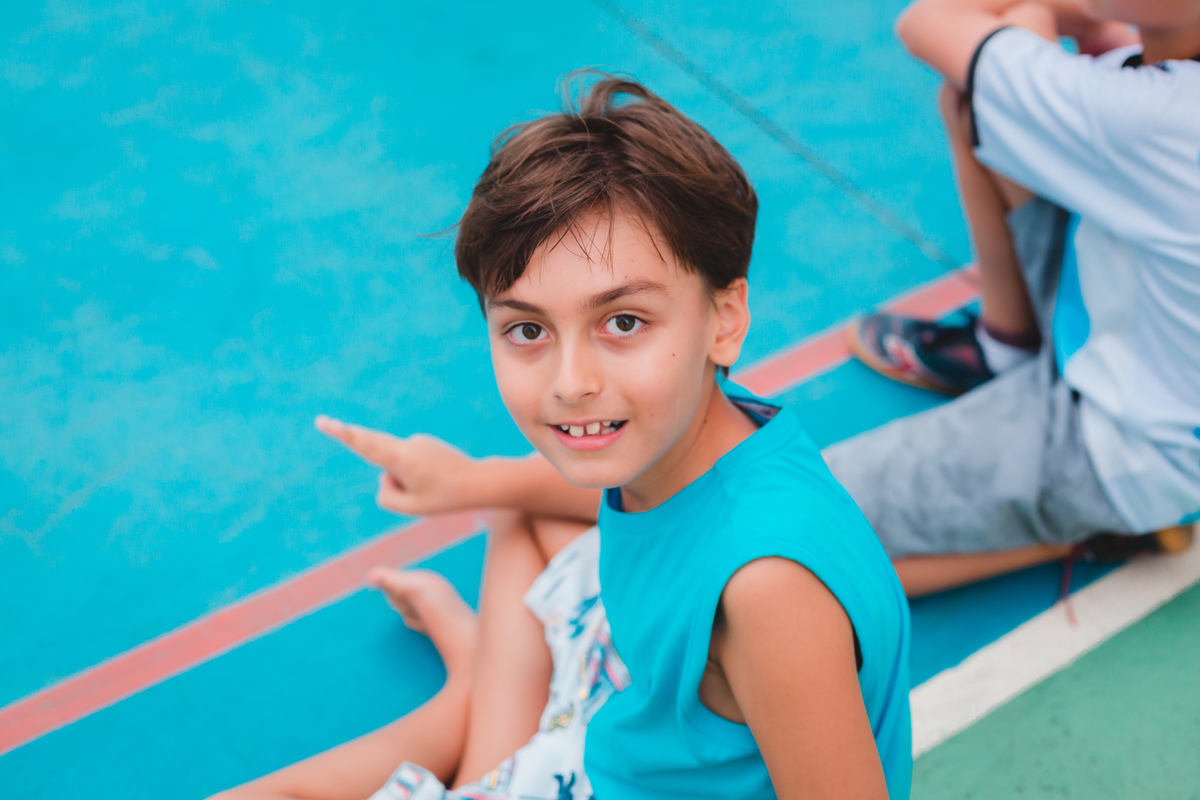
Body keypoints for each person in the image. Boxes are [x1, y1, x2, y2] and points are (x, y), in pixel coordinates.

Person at [216, 72, 911, 800]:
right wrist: (467, 482)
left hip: (609, 769)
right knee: (519, 502)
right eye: (527, 329)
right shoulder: (715, 429)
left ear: (726, 317)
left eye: (623, 322)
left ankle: (468, 698)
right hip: (627, 752)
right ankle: (473, 690)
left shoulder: (767, 592)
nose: (570, 381)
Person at [831, 0, 1200, 595]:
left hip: (1122, 445)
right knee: (983, 85)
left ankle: (1094, 526)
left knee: (788, 535)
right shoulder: (1162, 91)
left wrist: (1065, 13)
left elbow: (927, 21)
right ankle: (1007, 346)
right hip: (1149, 353)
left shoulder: (1150, 118)